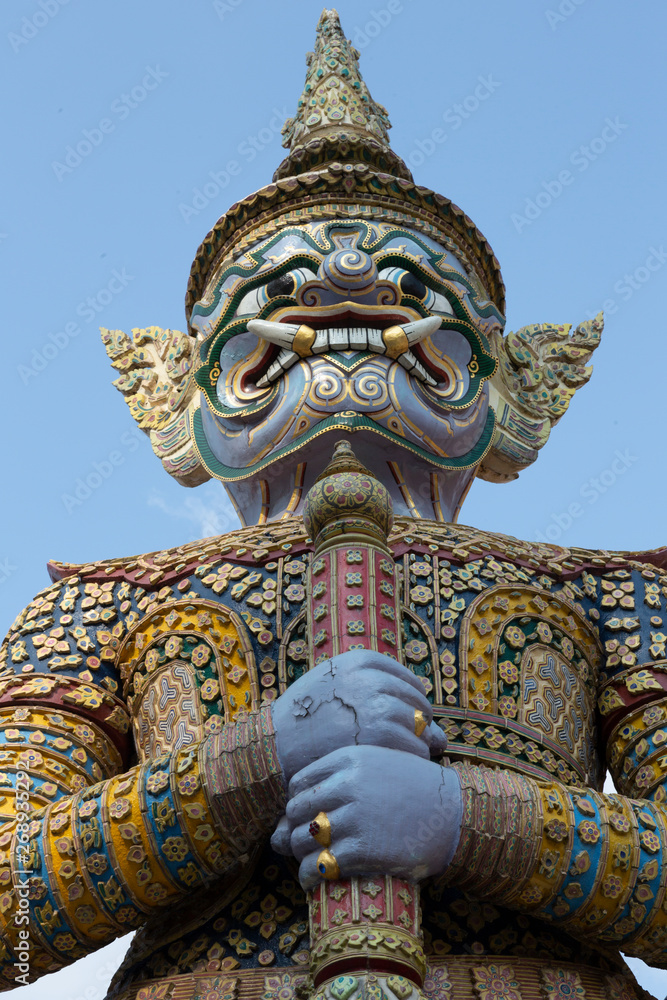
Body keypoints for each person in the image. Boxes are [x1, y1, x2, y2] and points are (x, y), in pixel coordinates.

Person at [1, 10, 663, 1000]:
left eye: (409, 290)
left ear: (509, 384)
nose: (346, 281)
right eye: (277, 294)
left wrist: (466, 817)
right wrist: (251, 761)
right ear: (181, 392)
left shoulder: (613, 595)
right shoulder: (97, 607)